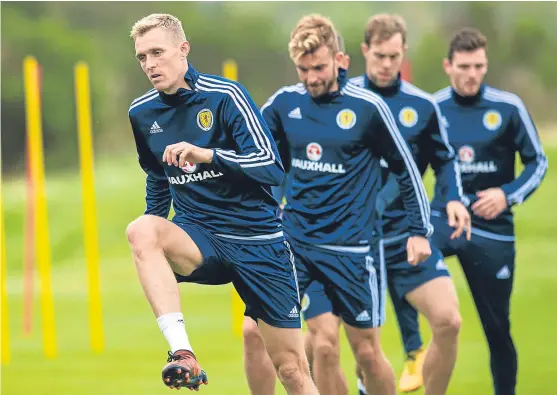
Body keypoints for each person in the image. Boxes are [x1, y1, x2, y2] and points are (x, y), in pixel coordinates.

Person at [126, 13, 319, 394]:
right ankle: (183, 353)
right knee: (141, 230)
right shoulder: (141, 112)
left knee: (293, 371)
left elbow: (270, 166)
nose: (149, 64)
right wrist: (155, 242)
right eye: (142, 57)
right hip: (200, 236)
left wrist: (208, 155)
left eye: (157, 52)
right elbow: (157, 177)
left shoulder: (225, 96)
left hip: (258, 241)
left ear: (184, 50)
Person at [243, 14, 433, 395]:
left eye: (319, 67)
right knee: (255, 332)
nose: (311, 77)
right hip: (295, 244)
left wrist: (418, 231)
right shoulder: (284, 104)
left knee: (366, 351)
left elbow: (406, 170)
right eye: (303, 68)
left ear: (341, 60)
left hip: (351, 251)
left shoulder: (368, 108)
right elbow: (253, 157)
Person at [349, 14, 470, 395]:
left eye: (395, 56)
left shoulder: (421, 106)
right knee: (363, 349)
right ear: (365, 51)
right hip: (353, 241)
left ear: (404, 52)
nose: (388, 64)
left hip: (409, 236)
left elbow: (444, 159)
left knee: (449, 322)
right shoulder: (343, 98)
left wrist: (452, 198)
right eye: (380, 56)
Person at [431, 28, 548, 395]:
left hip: (493, 231)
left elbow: (537, 162)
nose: (471, 74)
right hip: (443, 222)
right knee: (399, 271)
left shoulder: (508, 108)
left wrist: (507, 194)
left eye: (478, 66)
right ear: (448, 66)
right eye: (464, 66)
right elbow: (406, 166)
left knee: (497, 328)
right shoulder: (430, 108)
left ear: (486, 66)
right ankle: (407, 357)